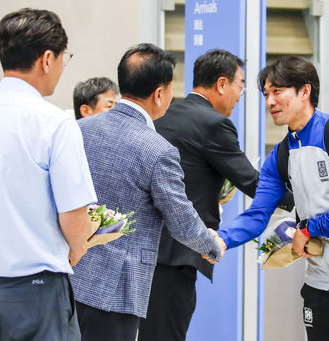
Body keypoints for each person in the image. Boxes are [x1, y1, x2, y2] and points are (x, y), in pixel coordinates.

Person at [216, 56, 329, 341]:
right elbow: (258, 213)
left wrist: (308, 228)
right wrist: (221, 240)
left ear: (305, 91)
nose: (270, 102)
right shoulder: (281, 155)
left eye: (277, 91)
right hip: (320, 277)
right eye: (265, 94)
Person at [0, 8, 94, 340]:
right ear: (47, 59)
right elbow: (75, 222)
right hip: (37, 295)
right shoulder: (55, 124)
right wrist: (79, 246)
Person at [69, 43, 226, 341]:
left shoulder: (79, 129)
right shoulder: (158, 150)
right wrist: (212, 245)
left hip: (71, 279)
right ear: (159, 94)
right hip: (118, 289)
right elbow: (182, 221)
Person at [141, 49, 291, 340]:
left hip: (146, 247)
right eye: (241, 85)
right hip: (177, 251)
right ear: (222, 84)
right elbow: (250, 181)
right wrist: (306, 202)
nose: (240, 95)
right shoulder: (213, 123)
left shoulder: (163, 114)